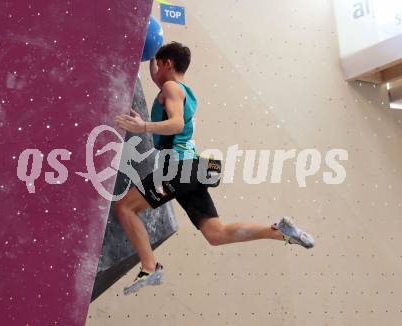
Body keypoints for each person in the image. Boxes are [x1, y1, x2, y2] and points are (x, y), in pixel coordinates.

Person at [114, 41, 315, 295]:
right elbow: (172, 107)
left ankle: (150, 266)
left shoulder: (170, 88)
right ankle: (279, 232)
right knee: (215, 234)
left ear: (167, 64)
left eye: (159, 64)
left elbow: (175, 124)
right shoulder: (182, 91)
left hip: (178, 167)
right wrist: (156, 75)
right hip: (194, 169)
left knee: (124, 207)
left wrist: (143, 127)